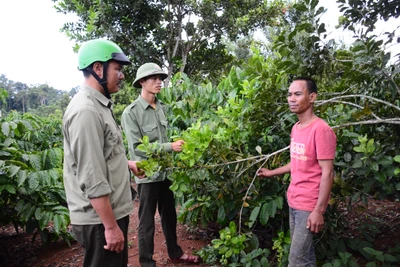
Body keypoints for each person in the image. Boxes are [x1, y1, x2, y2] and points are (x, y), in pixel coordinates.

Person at [63, 39, 143, 267]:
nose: (122, 75)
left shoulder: (99, 105)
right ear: (98, 68)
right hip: (99, 220)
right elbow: (92, 176)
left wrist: (127, 164)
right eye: (117, 68)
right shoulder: (86, 111)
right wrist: (109, 226)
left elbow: (99, 154)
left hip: (109, 213)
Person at [121, 62, 201, 266]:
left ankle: (175, 253)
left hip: (166, 173)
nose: (159, 82)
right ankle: (147, 263)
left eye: (161, 79)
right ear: (141, 82)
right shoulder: (131, 113)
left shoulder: (161, 109)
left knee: (170, 217)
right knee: (147, 223)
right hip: (147, 175)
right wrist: (169, 147)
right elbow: (138, 148)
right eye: (154, 78)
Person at [257, 77, 337, 266]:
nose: (291, 99)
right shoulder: (296, 128)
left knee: (295, 260)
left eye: (298, 94)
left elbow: (328, 173)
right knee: (305, 257)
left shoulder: (321, 130)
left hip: (308, 205)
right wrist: (271, 172)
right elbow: (297, 162)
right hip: (294, 199)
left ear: (312, 97)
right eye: (289, 94)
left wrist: (318, 210)